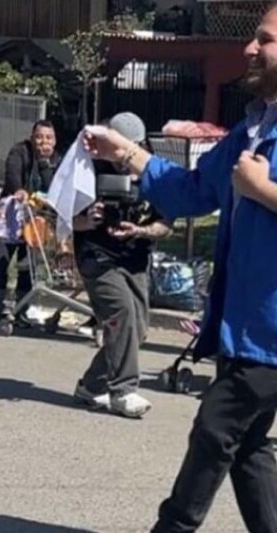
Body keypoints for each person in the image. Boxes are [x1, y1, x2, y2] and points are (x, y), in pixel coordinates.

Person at [85, 2, 277, 532]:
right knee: (246, 444)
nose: (249, 48)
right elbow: (194, 190)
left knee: (216, 426)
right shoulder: (252, 131)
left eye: (264, 40)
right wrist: (126, 152)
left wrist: (267, 192)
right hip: (248, 322)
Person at [72, 112, 170, 418]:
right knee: (122, 314)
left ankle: (91, 386)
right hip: (96, 256)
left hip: (135, 257)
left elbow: (166, 224)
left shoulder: (154, 173)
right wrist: (87, 220)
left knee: (136, 331)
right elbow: (61, 217)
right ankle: (123, 390)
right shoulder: (87, 166)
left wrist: (140, 230)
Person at [0, 120, 60, 327]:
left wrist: (44, 164)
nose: (44, 142)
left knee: (27, 266)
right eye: (40, 137)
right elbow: (12, 173)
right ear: (32, 138)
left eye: (49, 137)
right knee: (0, 260)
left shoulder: (55, 160)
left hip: (35, 220)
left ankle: (22, 309)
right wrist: (18, 190)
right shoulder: (20, 152)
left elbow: (54, 187)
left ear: (55, 140)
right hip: (10, 216)